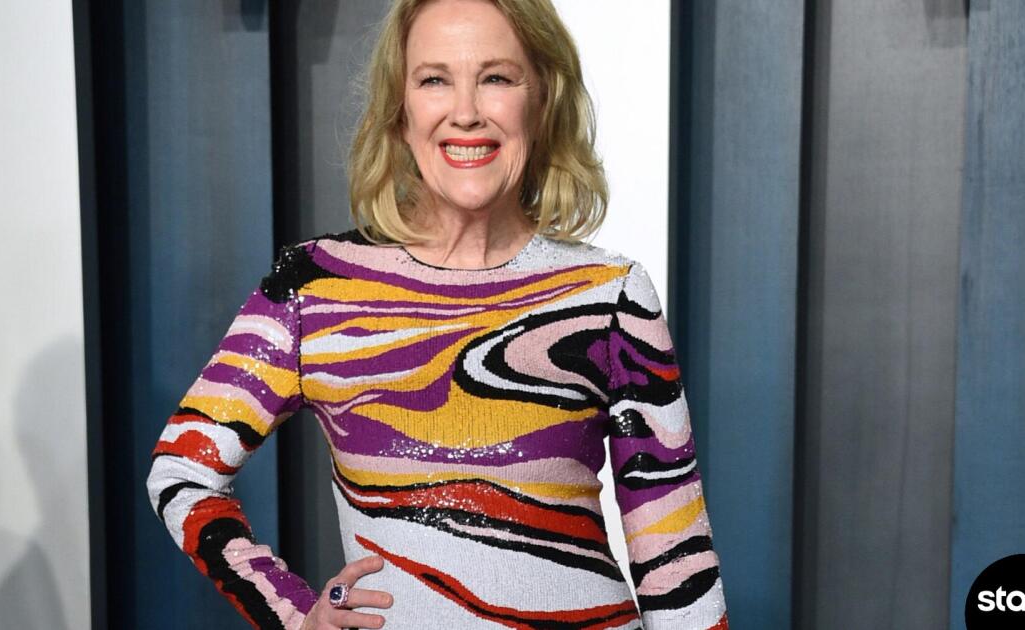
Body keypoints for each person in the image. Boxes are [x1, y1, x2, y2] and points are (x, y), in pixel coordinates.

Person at [145, 0, 729, 628]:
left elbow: (675, 556)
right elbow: (182, 472)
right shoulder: (316, 287)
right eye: (434, 80)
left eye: (496, 77)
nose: (467, 112)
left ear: (542, 99)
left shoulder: (610, 294)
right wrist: (292, 613)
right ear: (400, 111)